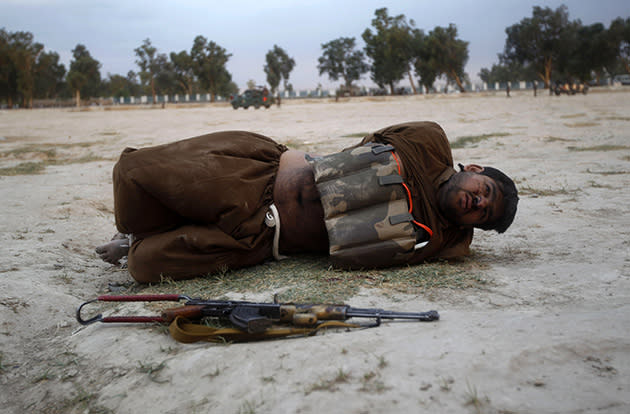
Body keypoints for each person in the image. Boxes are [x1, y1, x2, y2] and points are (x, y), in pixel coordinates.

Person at [96, 121, 518, 283]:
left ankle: (138, 238)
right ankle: (135, 228)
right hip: (258, 174)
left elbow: (461, 248)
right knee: (132, 172)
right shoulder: (429, 142)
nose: (478, 204)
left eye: (484, 215)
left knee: (142, 265)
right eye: (486, 193)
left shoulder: (446, 239)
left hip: (261, 240)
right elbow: (376, 141)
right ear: (475, 169)